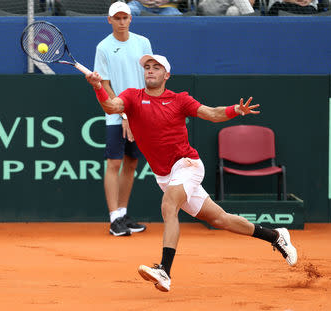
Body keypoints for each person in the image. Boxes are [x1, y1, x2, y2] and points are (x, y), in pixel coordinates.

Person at [86, 54, 298, 292]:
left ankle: (164, 271)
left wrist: (235, 110)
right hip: (165, 176)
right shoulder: (132, 97)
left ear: (167, 75)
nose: (150, 71)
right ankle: (276, 236)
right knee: (220, 219)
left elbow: (212, 113)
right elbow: (111, 106)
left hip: (187, 164)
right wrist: (98, 88)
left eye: (156, 67)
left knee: (169, 204)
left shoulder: (179, 100)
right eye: (147, 67)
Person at [94, 1, 153, 237]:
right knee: (114, 164)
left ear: (130, 19)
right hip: (116, 113)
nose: (121, 22)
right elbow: (105, 84)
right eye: (116, 18)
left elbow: (150, 76)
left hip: (141, 113)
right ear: (109, 20)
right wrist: (122, 112)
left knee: (131, 163)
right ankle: (113, 219)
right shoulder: (103, 47)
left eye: (124, 18)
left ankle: (123, 214)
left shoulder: (143, 43)